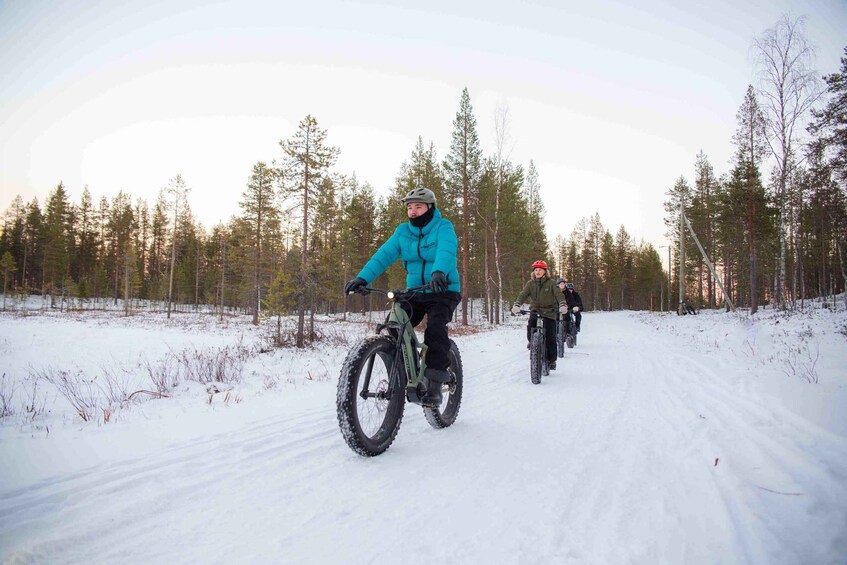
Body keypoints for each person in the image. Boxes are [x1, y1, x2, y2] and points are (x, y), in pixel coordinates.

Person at [344, 187, 461, 407]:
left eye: (418, 206)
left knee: (435, 328)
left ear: (430, 208)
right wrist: (362, 278)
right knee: (395, 326)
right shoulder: (402, 232)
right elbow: (383, 255)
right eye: (410, 207)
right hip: (416, 291)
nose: (413, 211)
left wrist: (439, 272)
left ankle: (434, 383)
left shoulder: (443, 227)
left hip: (443, 289)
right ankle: (399, 373)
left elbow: (447, 250)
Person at [511, 261, 567, 370]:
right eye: (536, 270)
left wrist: (562, 305)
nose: (537, 272)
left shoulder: (551, 283)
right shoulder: (530, 284)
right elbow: (523, 295)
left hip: (549, 312)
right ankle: (533, 344)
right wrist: (517, 305)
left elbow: (559, 295)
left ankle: (552, 360)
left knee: (551, 336)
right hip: (535, 310)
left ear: (545, 272)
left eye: (540, 270)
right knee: (530, 329)